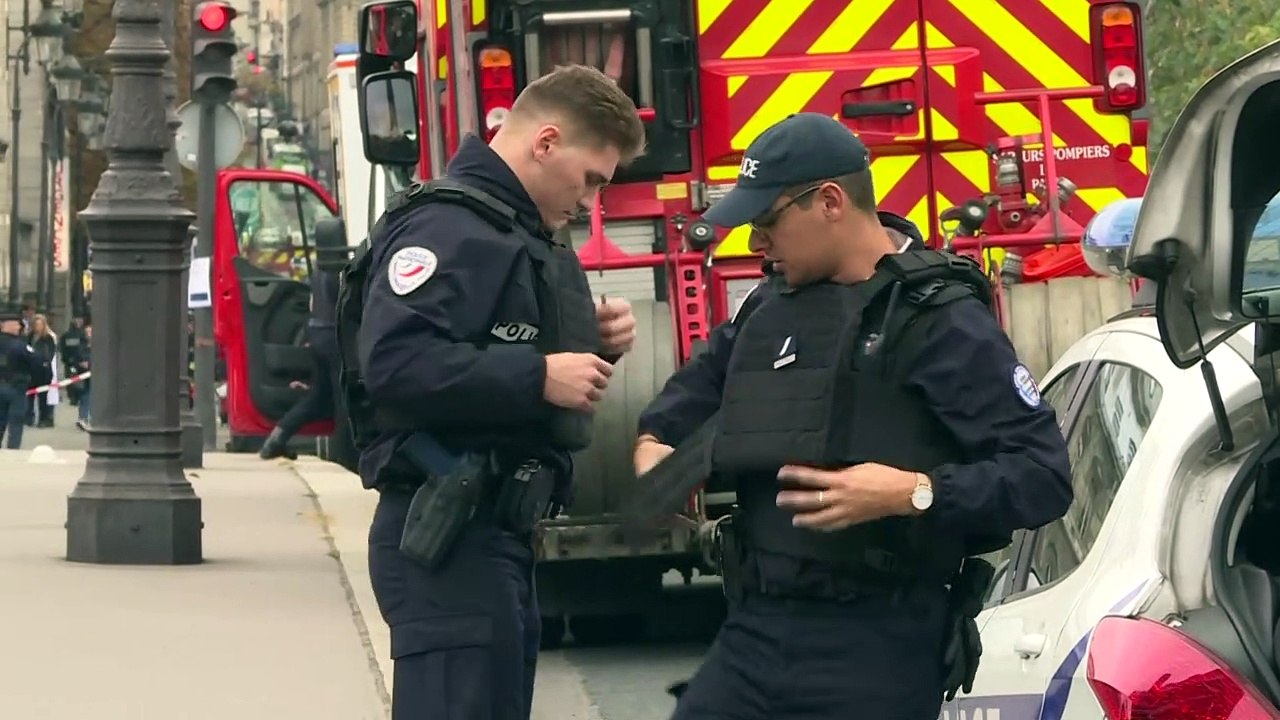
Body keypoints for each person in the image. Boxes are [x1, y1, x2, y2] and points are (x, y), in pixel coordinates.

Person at [633, 112, 1073, 720]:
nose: (756, 244)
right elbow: (693, 393)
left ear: (830, 203)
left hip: (878, 642)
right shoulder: (770, 306)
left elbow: (1043, 476)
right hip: (757, 630)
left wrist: (912, 492)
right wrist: (655, 444)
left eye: (767, 223)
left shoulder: (939, 320)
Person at [338, 64, 646, 720]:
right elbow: (395, 363)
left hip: (491, 533)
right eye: (591, 178)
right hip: (451, 535)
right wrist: (539, 376)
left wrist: (590, 342)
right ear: (546, 142)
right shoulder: (449, 228)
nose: (591, 201)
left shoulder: (507, 229)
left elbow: (485, 344)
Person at [259, 267, 341, 461]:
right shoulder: (343, 265)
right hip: (335, 334)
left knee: (319, 397)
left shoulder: (320, 268)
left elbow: (312, 304)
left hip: (317, 331)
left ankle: (277, 438)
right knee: (344, 399)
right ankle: (345, 454)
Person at [0, 305, 43, 449]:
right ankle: (13, 452)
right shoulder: (19, 345)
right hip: (16, 388)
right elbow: (36, 362)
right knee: (16, 423)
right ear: (6, 325)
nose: (19, 327)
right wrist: (34, 380)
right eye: (16, 324)